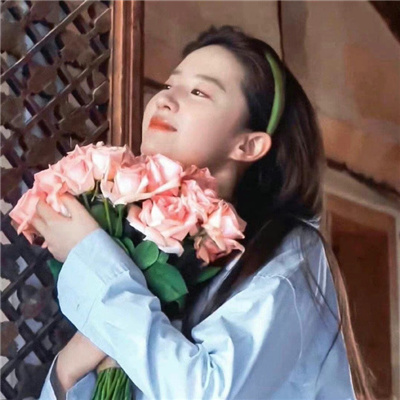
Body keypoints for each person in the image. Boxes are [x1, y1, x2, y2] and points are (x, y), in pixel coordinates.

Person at [34, 25, 374, 399]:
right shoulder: (151, 240)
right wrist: (66, 372)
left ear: (248, 145)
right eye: (168, 85)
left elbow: (208, 392)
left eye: (199, 92)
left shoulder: (290, 254)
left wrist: (89, 252)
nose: (164, 100)